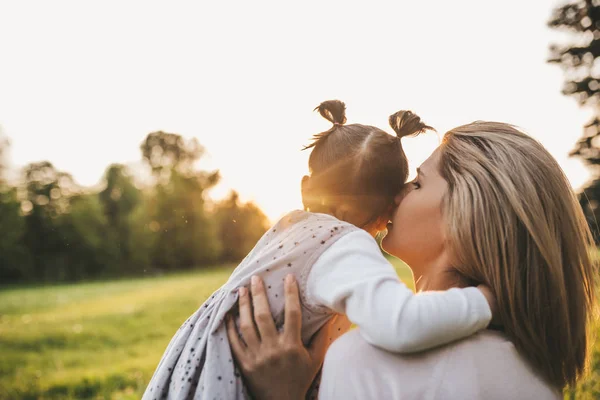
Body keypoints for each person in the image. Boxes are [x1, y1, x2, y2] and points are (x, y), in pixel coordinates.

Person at [142, 102, 496, 400]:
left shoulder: (285, 232)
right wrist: (485, 302)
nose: (406, 194)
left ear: (307, 189)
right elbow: (400, 321)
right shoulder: (345, 242)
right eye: (408, 185)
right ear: (387, 211)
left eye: (416, 184)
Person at [228, 121, 597, 400]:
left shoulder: (366, 362)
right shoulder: (533, 370)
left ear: (464, 216)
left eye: (417, 183)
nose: (396, 192)